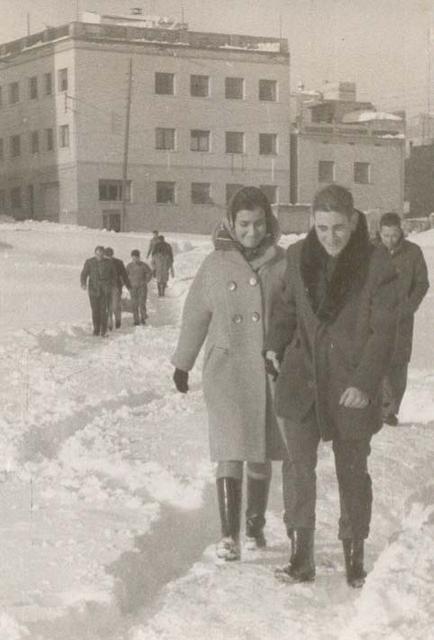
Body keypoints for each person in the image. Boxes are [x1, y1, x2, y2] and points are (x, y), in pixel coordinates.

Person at [264, 184, 399, 588]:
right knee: (297, 466)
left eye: (338, 228)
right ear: (312, 224)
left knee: (352, 471)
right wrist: (273, 345)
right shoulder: (298, 257)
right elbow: (287, 308)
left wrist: (364, 382)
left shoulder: (376, 265)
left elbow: (384, 331)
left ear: (354, 221)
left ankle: (354, 557)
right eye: (322, 228)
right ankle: (300, 555)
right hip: (302, 380)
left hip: (350, 385)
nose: (330, 237)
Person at [172, 186, 287, 562]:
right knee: (229, 450)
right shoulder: (214, 264)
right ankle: (228, 536)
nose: (252, 232)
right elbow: (195, 315)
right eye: (244, 224)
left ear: (269, 222)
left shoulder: (283, 262)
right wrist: (182, 362)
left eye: (258, 224)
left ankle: (254, 525)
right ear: (230, 223)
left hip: (268, 370)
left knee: (260, 454)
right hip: (226, 369)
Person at [378, 212, 429, 426]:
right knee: (375, 359)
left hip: (401, 319)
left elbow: (421, 283)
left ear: (401, 232)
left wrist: (408, 307)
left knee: (397, 363)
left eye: (394, 234)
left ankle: (389, 411)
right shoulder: (370, 252)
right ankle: (377, 408)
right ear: (379, 232)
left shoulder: (413, 252)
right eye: (386, 235)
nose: (390, 239)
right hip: (375, 317)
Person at [80, 245, 116, 337]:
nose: (99, 256)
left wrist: (111, 285)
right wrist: (83, 283)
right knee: (95, 310)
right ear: (95, 254)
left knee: (104, 310)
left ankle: (103, 330)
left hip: (105, 290)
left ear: (104, 254)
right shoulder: (89, 262)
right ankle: (96, 329)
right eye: (97, 254)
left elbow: (114, 276)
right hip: (93, 290)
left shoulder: (109, 263)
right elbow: (84, 274)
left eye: (101, 254)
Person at [104, 247, 131, 330]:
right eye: (107, 255)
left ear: (112, 254)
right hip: (105, 287)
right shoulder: (102, 263)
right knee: (107, 305)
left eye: (110, 255)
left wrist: (128, 285)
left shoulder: (118, 262)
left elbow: (124, 275)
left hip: (116, 287)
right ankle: (109, 323)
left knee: (115, 305)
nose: (109, 257)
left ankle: (118, 319)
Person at [126, 249, 153, 325]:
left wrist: (146, 281)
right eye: (133, 258)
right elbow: (125, 276)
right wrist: (127, 284)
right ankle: (136, 320)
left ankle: (143, 317)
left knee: (142, 303)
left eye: (136, 258)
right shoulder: (129, 266)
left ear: (139, 257)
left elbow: (150, 273)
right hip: (132, 287)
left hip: (142, 287)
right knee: (134, 304)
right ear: (132, 258)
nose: (135, 260)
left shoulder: (143, 265)